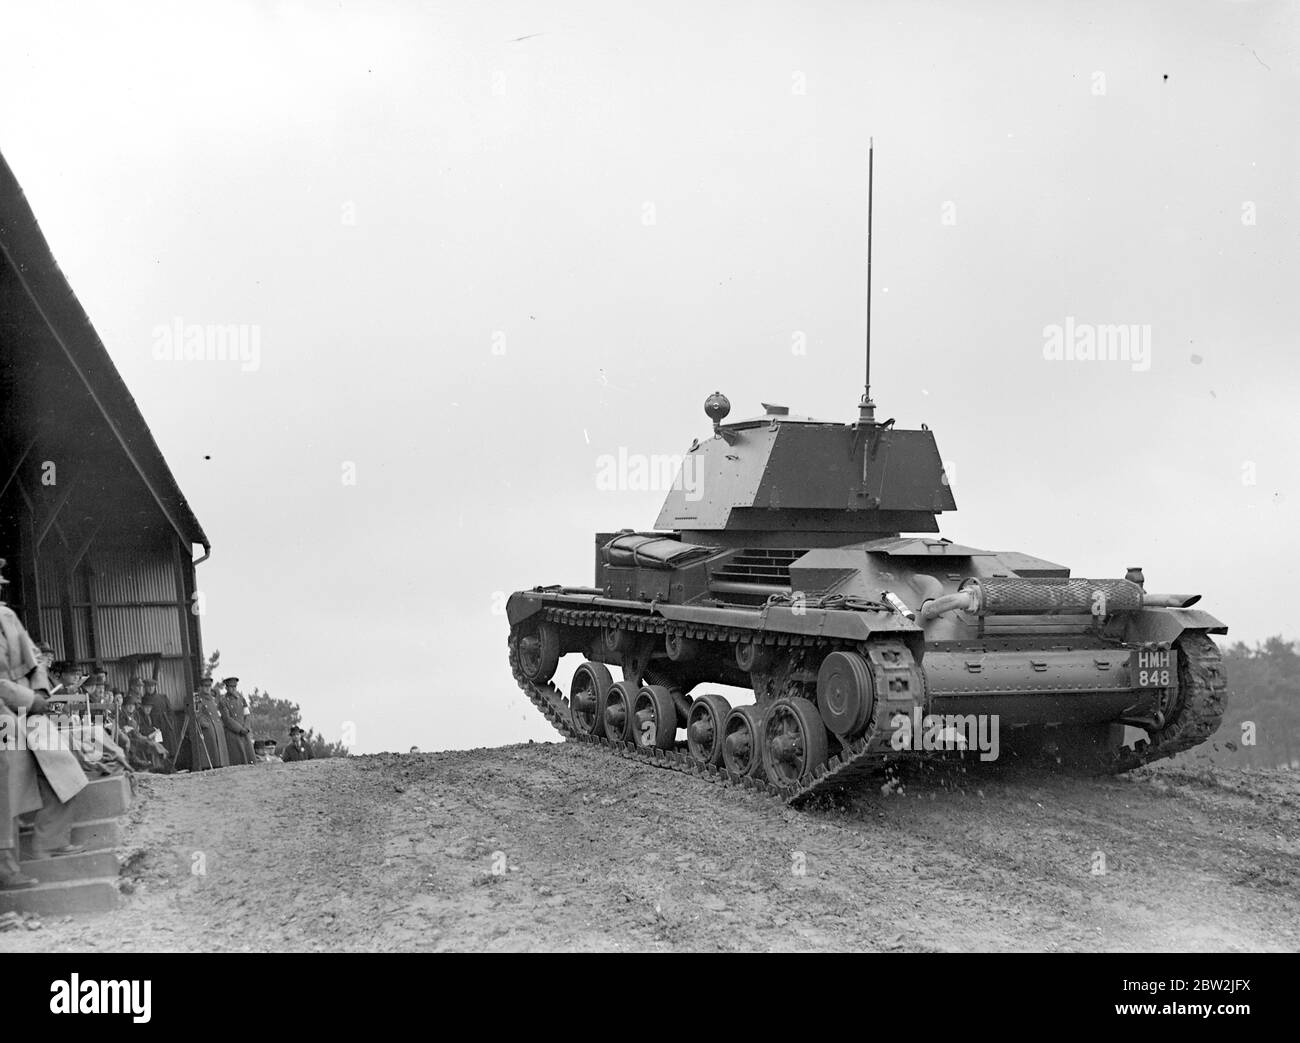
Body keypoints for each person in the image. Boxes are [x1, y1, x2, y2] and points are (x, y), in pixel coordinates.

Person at [0, 559, 88, 889]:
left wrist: (38, 691)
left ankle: (49, 841)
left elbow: (35, 658)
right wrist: (27, 700)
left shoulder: (6, 616)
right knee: (6, 776)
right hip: (3, 714)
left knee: (62, 763)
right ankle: (6, 866)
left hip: (27, 705)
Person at [178, 676, 228, 771]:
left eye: (209, 686)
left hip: (216, 726)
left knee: (219, 751)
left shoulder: (213, 698)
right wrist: (203, 723)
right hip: (207, 727)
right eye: (205, 686)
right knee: (211, 747)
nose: (207, 688)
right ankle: (210, 765)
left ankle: (219, 763)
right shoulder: (197, 698)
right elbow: (196, 713)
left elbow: (217, 711)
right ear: (201, 687)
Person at [141, 678, 180, 759]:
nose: (151, 688)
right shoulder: (144, 699)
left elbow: (170, 710)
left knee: (170, 746)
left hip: (166, 724)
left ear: (155, 687)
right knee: (159, 746)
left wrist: (169, 720)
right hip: (154, 726)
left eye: (152, 686)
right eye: (148, 687)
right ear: (145, 688)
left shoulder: (162, 697)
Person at [218, 681, 254, 765]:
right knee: (237, 759)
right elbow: (227, 719)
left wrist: (247, 727)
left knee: (249, 757)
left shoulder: (241, 699)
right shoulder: (223, 701)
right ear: (226, 688)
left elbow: (247, 715)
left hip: (244, 732)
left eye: (235, 686)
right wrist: (240, 729)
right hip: (233, 733)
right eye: (231, 686)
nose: (233, 688)